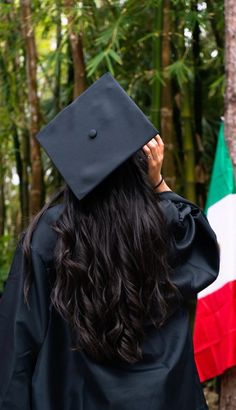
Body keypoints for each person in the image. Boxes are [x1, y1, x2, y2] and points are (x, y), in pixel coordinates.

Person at [0, 73, 219, 410]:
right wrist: (158, 182)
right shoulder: (164, 222)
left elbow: (19, 338)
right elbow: (204, 251)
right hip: (161, 399)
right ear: (141, 163)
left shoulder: (50, 232)